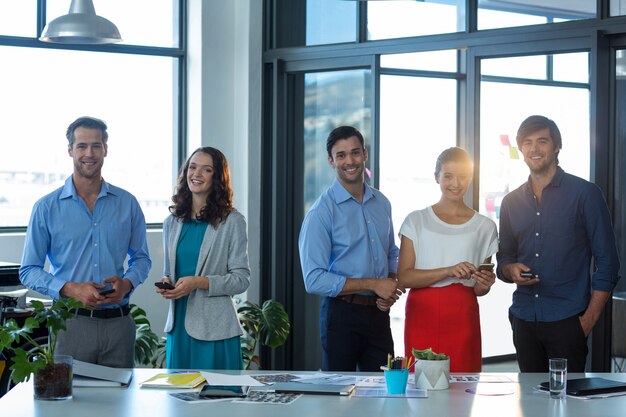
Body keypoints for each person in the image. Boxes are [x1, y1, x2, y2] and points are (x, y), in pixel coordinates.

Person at [19, 116, 151, 368]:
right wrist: (70, 288)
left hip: (119, 327)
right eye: (82, 146)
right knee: (68, 405)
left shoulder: (128, 203)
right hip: (70, 325)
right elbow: (28, 270)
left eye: (96, 145)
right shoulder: (46, 208)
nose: (89, 153)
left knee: (120, 406)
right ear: (70, 150)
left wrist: (127, 283)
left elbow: (142, 258)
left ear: (106, 149)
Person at [497, 115, 621, 372]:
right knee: (531, 406)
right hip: (524, 318)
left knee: (569, 407)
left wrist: (587, 321)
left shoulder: (585, 194)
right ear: (521, 149)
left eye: (542, 141)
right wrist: (510, 270)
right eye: (528, 142)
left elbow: (608, 263)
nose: (534, 149)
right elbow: (504, 259)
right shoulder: (510, 202)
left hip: (568, 321)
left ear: (556, 147)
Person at [298, 125, 403, 372]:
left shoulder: (381, 203)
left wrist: (390, 283)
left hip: (378, 315)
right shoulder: (321, 212)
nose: (350, 161)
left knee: (382, 393)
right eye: (341, 155)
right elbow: (313, 279)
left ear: (365, 154)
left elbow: (391, 253)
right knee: (339, 397)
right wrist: (372, 284)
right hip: (340, 316)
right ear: (330, 161)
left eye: (355, 152)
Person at [397, 147, 498, 373]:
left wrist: (484, 285)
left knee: (463, 389)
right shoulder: (416, 221)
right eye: (448, 176)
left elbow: (479, 289)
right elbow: (404, 277)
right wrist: (448, 270)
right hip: (422, 314)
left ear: (471, 177)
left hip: (463, 315)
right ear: (437, 178)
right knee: (421, 389)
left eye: (463, 176)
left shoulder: (485, 227)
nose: (455, 183)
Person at [156, 146, 250, 370]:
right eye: (193, 167)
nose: (196, 174)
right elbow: (170, 271)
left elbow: (241, 279)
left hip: (215, 331)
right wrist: (167, 283)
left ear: (217, 177)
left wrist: (199, 282)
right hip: (178, 328)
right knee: (179, 400)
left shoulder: (232, 221)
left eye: (206, 170)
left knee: (218, 401)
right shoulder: (172, 222)